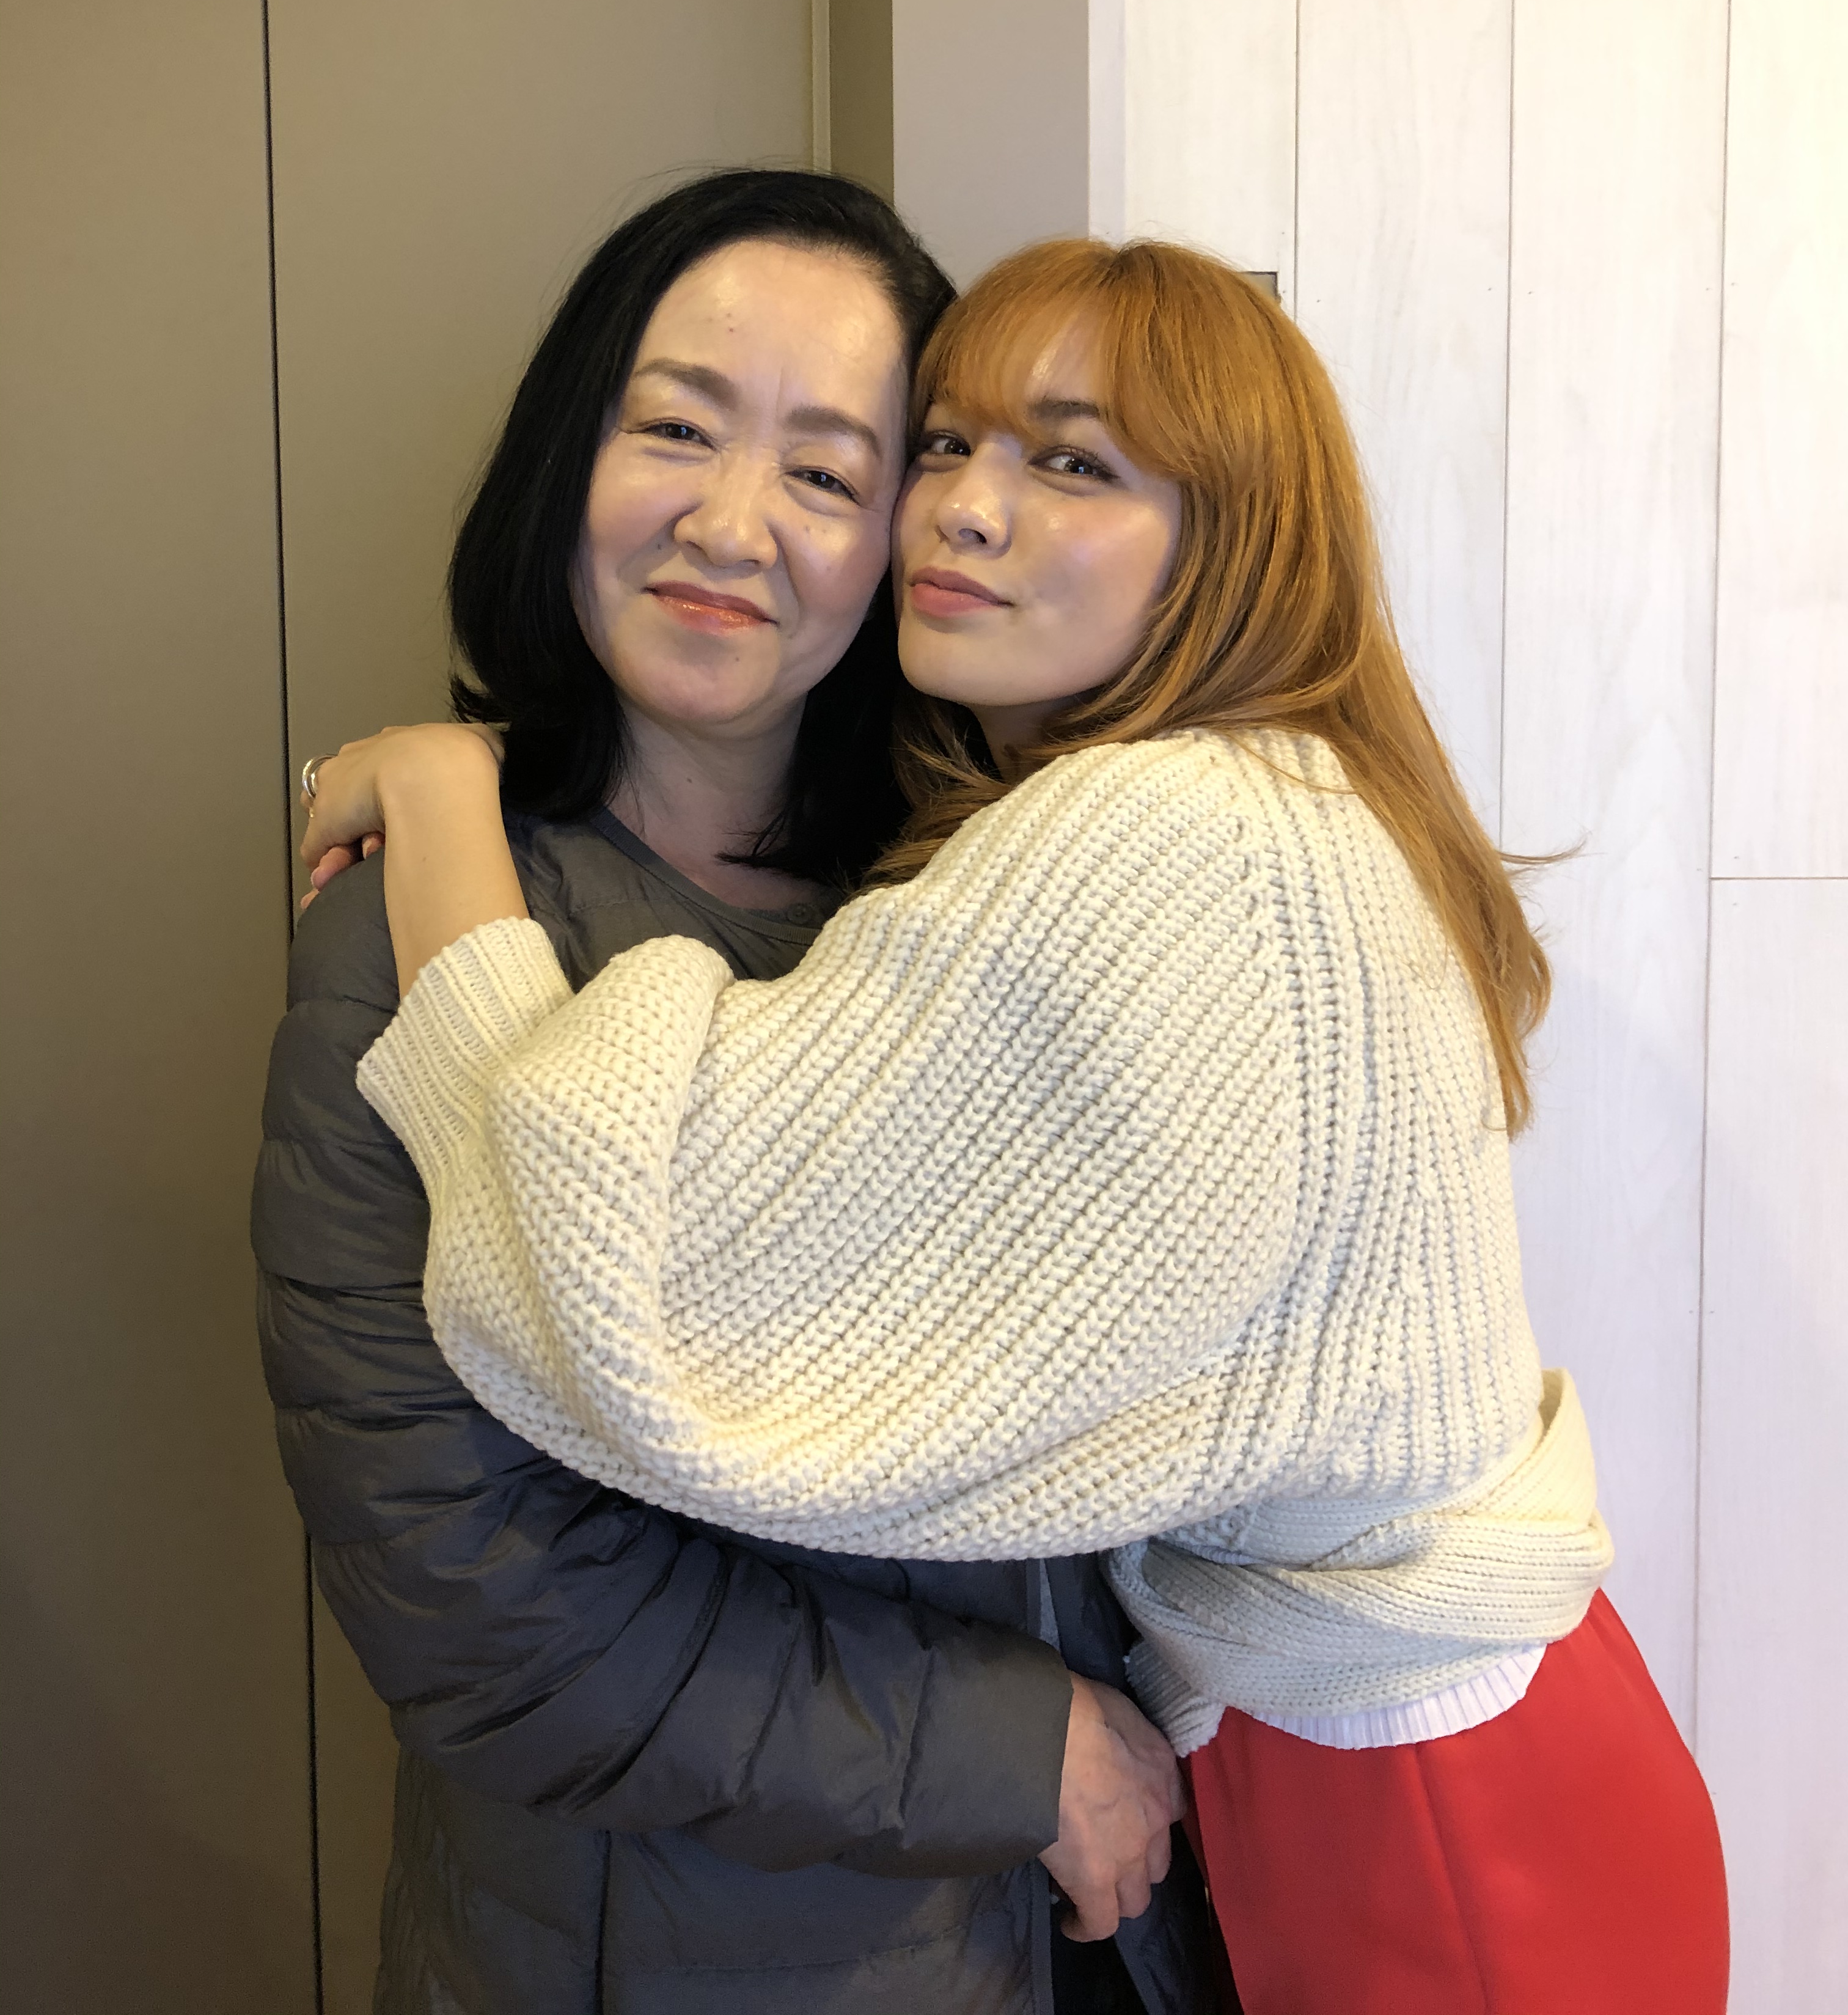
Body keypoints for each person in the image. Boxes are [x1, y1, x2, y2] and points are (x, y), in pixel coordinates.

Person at [304, 235, 1730, 2013]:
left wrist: (448, 811)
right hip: (1438, 1745)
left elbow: (627, 1281)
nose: (966, 509)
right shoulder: (1260, 813)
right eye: (950, 445)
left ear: (1233, 543)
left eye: (1071, 462)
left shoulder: (1159, 840)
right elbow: (480, 1573)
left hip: (1421, 1806)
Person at [256, 174, 1216, 2015]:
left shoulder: (1004, 900)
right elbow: (478, 1599)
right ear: (572, 456)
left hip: (1079, 1927)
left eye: (828, 472)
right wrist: (1012, 1751)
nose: (729, 522)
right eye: (678, 428)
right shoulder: (410, 924)